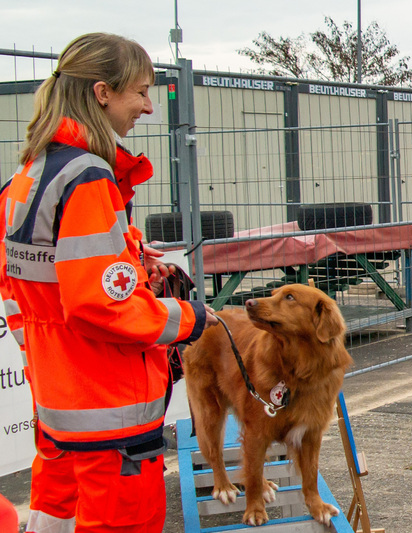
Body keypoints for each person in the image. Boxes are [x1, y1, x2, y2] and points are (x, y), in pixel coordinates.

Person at [0, 33, 218, 532]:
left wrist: (135, 268)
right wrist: (190, 318)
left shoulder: (31, 173)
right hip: (110, 412)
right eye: (140, 92)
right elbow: (98, 304)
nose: (147, 106)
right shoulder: (87, 177)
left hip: (61, 402)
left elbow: (31, 285)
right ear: (103, 93)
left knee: (56, 516)